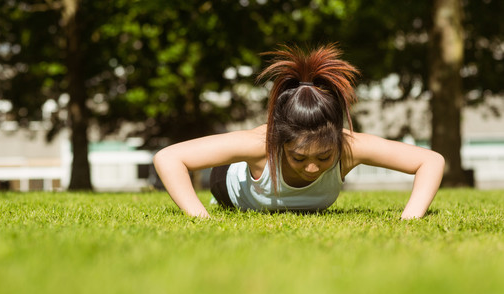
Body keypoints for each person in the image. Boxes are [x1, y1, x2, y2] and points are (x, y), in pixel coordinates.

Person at [153, 44, 445, 220]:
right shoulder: (259, 144)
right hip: (229, 182)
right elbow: (168, 158)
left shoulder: (349, 147)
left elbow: (431, 161)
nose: (312, 167)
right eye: (298, 157)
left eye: (324, 156)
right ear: (280, 141)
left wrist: (410, 218)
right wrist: (199, 217)